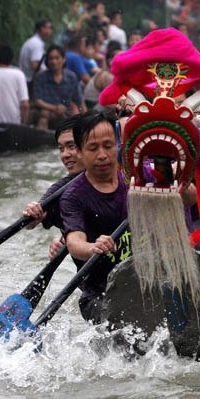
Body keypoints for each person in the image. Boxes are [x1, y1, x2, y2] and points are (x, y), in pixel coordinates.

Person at [59, 111, 129, 321]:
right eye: (93, 148)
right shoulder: (73, 196)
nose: (102, 155)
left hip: (142, 284)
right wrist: (93, 248)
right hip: (100, 294)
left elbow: (188, 196)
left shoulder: (137, 176)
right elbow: (74, 242)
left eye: (108, 146)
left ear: (118, 146)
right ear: (80, 152)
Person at [19, 115, 86, 257]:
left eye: (71, 146)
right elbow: (29, 224)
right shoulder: (60, 190)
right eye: (61, 149)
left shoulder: (122, 174)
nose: (65, 155)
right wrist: (32, 212)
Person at [32, 45, 84, 129]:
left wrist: (85, 118)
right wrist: (55, 108)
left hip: (64, 115)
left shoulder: (71, 77)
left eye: (57, 58)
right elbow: (37, 101)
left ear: (63, 59)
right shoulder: (40, 77)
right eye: (51, 59)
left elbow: (79, 101)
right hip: (43, 113)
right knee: (44, 114)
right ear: (47, 61)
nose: (54, 61)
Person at [18, 19, 54, 90]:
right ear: (39, 29)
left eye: (50, 28)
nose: (48, 31)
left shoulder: (34, 41)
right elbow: (35, 65)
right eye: (46, 28)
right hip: (30, 81)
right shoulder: (36, 44)